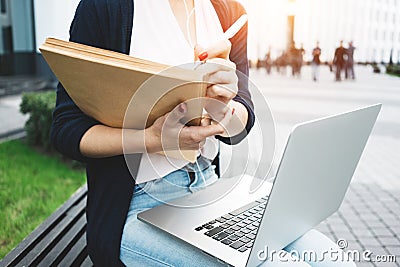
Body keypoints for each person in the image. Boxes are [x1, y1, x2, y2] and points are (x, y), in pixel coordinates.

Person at [51, 0, 356, 266]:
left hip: (207, 188)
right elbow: (66, 128)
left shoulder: (229, 12)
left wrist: (222, 107)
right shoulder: (107, 7)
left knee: (332, 257)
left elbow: (240, 123)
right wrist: (151, 139)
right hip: (135, 204)